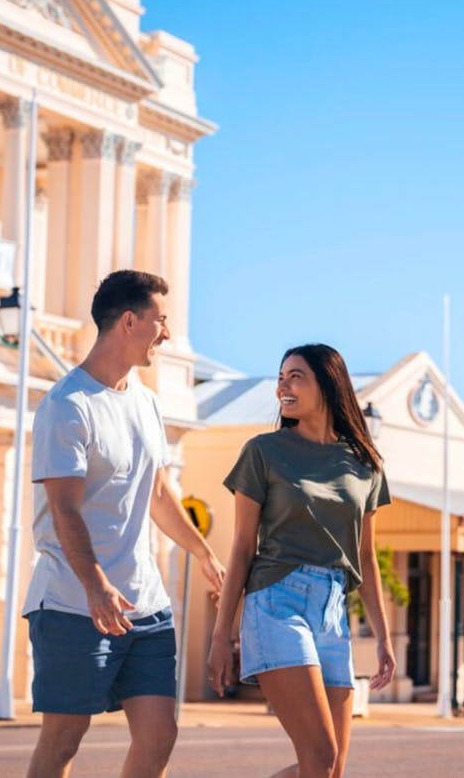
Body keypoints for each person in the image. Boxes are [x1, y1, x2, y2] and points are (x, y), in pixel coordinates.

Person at [22, 270, 225, 778]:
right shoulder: (67, 406)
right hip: (73, 603)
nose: (167, 334)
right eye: (161, 321)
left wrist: (202, 551)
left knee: (159, 735)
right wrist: (95, 586)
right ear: (130, 321)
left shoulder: (146, 402)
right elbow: (64, 508)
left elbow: (157, 492)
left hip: (147, 606)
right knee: (64, 738)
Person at [207, 343, 396, 778]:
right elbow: (241, 547)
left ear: (328, 386)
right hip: (277, 604)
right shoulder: (263, 452)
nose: (283, 387)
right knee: (319, 756)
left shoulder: (365, 464)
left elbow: (364, 555)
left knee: (332, 768)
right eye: (280, 378)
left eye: (296, 377)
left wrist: (383, 636)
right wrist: (222, 633)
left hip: (333, 612)